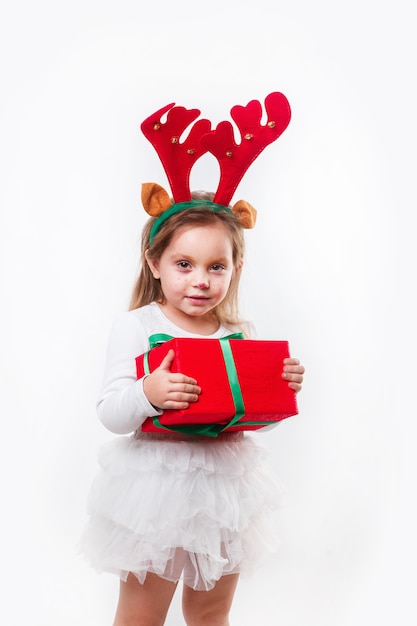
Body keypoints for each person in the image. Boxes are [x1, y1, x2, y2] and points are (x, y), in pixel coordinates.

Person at [80, 190, 305, 626]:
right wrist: (148, 392)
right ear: (155, 264)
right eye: (184, 264)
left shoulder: (239, 332)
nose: (200, 280)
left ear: (235, 269)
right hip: (156, 490)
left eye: (215, 267)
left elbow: (250, 418)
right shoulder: (139, 325)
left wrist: (280, 389)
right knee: (141, 615)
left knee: (211, 612)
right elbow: (110, 412)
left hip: (226, 492)